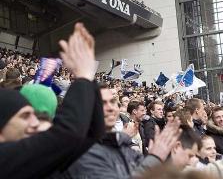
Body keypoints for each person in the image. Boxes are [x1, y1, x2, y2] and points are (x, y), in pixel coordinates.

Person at [0, 23, 105, 179]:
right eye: (25, 116)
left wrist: (89, 78)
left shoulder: (39, 161)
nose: (35, 121)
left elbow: (91, 134)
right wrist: (82, 76)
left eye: (33, 114)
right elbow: (68, 135)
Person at [66, 85, 181, 179]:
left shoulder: (120, 144)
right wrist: (155, 157)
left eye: (112, 101)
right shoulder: (80, 150)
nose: (110, 107)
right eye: (102, 103)